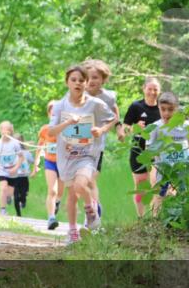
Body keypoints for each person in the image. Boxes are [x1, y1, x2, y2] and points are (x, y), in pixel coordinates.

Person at [49, 64, 115, 244]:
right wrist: (68, 122)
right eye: (74, 80)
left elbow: (113, 119)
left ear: (86, 83)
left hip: (87, 155)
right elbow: (51, 131)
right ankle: (72, 232)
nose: (77, 83)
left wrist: (101, 130)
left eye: (81, 80)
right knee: (71, 194)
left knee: (80, 185)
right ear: (67, 82)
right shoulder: (59, 105)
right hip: (67, 156)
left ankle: (92, 211)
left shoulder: (95, 104)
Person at [146, 92, 189, 217]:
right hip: (164, 170)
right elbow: (148, 151)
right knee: (160, 194)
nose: (166, 114)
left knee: (184, 193)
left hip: (182, 169)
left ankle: (184, 217)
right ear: (158, 108)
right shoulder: (154, 128)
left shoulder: (186, 126)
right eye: (163, 109)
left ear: (177, 109)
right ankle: (156, 219)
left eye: (170, 110)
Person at [118, 77, 162, 218]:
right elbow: (124, 129)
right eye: (150, 88)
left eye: (155, 89)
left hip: (157, 152)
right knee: (140, 186)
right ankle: (141, 218)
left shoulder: (162, 107)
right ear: (144, 89)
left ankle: (156, 218)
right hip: (138, 151)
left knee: (157, 183)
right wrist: (134, 129)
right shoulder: (136, 106)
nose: (152, 92)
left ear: (159, 91)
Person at [83, 59, 118, 224]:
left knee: (90, 180)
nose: (91, 81)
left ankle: (93, 215)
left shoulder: (108, 97)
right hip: (79, 145)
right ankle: (92, 209)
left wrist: (104, 130)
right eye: (88, 77)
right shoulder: (78, 94)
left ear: (103, 79)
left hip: (97, 147)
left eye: (95, 77)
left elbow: (115, 117)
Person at [37, 101, 65, 231]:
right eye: (52, 114)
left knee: (60, 192)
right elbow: (39, 146)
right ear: (49, 114)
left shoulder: (66, 129)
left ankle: (57, 203)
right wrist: (36, 164)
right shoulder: (45, 130)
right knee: (52, 191)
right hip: (50, 162)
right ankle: (51, 217)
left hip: (64, 163)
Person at [0, 121, 22, 216]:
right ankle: (2, 210)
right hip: (1, 169)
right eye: (4, 129)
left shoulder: (15, 143)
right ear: (0, 131)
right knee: (3, 188)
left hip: (12, 170)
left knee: (9, 193)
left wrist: (16, 168)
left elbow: (21, 157)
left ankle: (8, 197)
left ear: (11, 131)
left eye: (8, 130)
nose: (6, 131)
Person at [10, 135, 37, 217]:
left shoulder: (26, 153)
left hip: (24, 177)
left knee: (23, 193)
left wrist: (31, 153)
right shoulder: (10, 153)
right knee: (15, 196)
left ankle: (23, 201)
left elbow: (33, 161)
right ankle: (18, 214)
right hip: (14, 177)